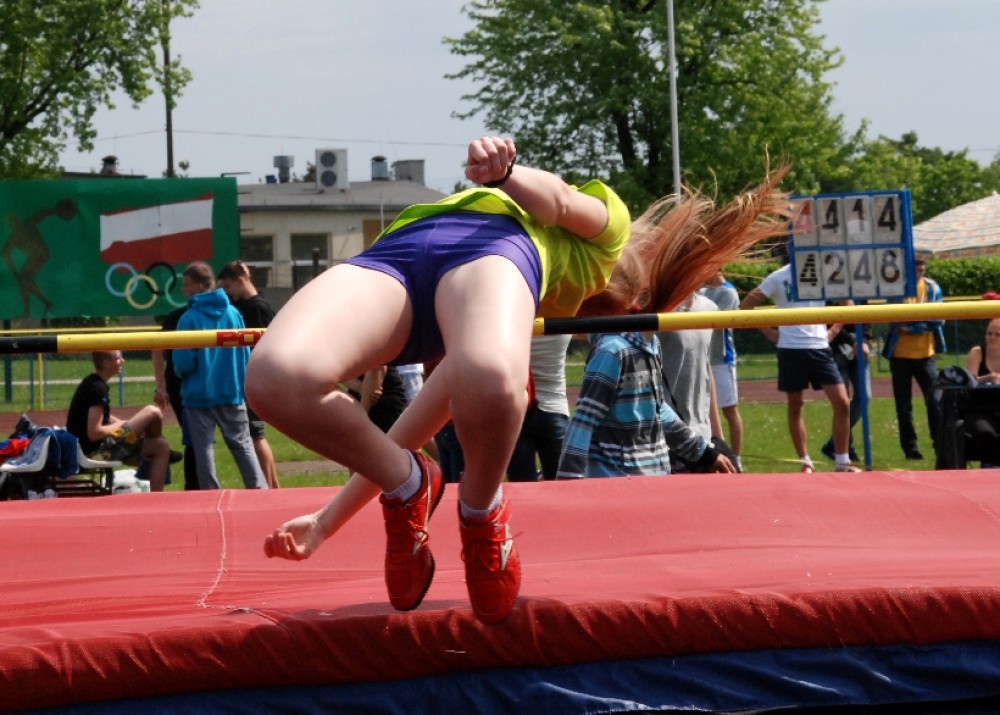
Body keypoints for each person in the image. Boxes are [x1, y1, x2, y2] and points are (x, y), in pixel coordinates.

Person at [250, 136, 790, 625]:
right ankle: (447, 499)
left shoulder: (519, 298)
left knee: (487, 379)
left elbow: (415, 424)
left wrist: (327, 521)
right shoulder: (610, 236)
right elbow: (558, 201)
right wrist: (506, 174)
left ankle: (479, 512)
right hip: (407, 249)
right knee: (274, 378)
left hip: (460, 264)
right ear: (632, 298)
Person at [556, 331, 734, 478]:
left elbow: (658, 408)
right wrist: (569, 481)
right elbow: (584, 421)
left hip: (653, 478)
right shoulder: (612, 352)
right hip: (616, 481)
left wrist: (704, 453)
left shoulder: (651, 344)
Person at [741, 263, 859, 473]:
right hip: (790, 348)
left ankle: (842, 461)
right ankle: (805, 462)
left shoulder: (824, 271)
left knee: (842, 402)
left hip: (820, 347)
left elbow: (848, 306)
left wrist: (834, 329)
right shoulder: (778, 276)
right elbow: (745, 306)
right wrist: (768, 332)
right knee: (795, 404)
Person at [173, 262, 268, 490]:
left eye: (186, 285)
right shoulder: (233, 313)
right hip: (231, 391)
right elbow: (245, 353)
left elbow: (183, 362)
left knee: (204, 450)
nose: (184, 290)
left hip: (199, 395)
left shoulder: (189, 318)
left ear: (198, 286)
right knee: (243, 445)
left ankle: (210, 495)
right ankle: (258, 490)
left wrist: (180, 373)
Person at [66, 350, 177, 491]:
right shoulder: (97, 388)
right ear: (106, 363)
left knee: (161, 446)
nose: (123, 361)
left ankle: (156, 499)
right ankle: (149, 447)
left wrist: (129, 425)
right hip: (95, 453)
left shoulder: (92, 383)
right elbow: (94, 433)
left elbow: (104, 418)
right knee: (152, 411)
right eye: (119, 358)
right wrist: (123, 424)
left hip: (97, 449)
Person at [217, 259, 280, 489]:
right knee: (254, 435)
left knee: (255, 435)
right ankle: (272, 486)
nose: (227, 293)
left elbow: (269, 346)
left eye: (228, 287)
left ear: (241, 280)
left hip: (254, 378)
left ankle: (270, 487)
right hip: (245, 378)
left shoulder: (258, 308)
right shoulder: (242, 306)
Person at [882, 257, 945, 460]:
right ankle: (910, 449)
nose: (919, 274)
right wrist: (913, 324)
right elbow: (892, 319)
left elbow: (937, 319)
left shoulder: (932, 288)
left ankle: (939, 443)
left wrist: (912, 326)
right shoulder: (896, 289)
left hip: (926, 354)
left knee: (935, 401)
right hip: (900, 355)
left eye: (921, 271)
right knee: (903, 406)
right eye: (916, 271)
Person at [658, 292, 726, 473]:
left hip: (703, 438)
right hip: (666, 439)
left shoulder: (711, 309)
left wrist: (718, 436)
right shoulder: (658, 308)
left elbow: (706, 368)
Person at [506, 334, 572, 481]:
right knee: (563, 485)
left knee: (522, 487)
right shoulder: (562, 323)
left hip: (518, 408)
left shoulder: (512, 326)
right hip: (554, 407)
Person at [700, 270, 744, 471]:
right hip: (704, 356)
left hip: (722, 359)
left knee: (729, 410)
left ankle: (735, 456)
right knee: (706, 409)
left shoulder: (728, 293)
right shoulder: (701, 291)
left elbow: (717, 325)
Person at [152, 307, 199, 490]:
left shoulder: (226, 311)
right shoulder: (180, 316)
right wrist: (161, 386)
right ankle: (194, 487)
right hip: (180, 385)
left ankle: (198, 485)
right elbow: (157, 347)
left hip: (208, 385)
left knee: (202, 438)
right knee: (194, 437)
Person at [820, 325, 871, 463]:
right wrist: (852, 341)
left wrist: (863, 342)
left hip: (859, 349)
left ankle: (833, 443)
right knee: (843, 402)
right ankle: (846, 450)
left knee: (864, 397)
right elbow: (830, 323)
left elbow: (865, 323)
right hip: (836, 349)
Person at [960, 318, 1000, 466]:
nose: (992, 337)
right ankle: (989, 465)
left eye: (997, 334)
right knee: (985, 433)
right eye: (989, 333)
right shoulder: (977, 352)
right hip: (978, 409)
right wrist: (988, 377)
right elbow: (971, 379)